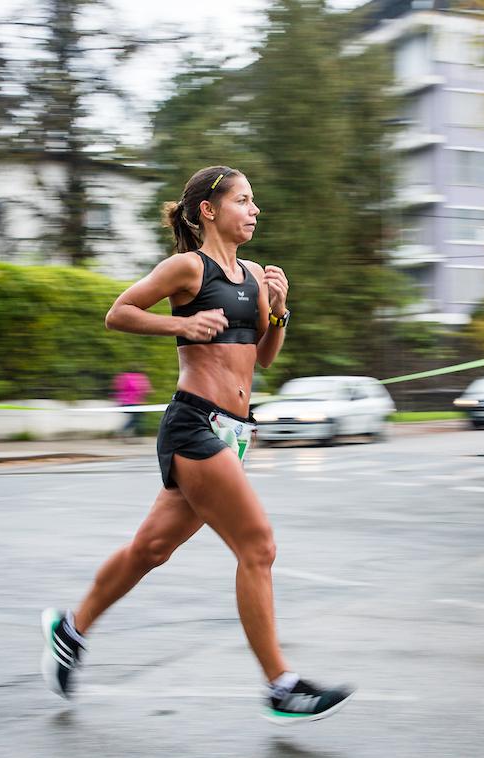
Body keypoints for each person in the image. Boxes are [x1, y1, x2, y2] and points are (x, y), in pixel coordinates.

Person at [40, 165, 353, 724]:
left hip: (235, 432)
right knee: (258, 545)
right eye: (244, 200)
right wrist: (178, 327)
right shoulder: (187, 267)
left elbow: (263, 357)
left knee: (150, 550)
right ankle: (281, 685)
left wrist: (279, 308)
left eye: (255, 202)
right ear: (209, 210)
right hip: (195, 424)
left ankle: (71, 628)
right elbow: (119, 313)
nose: (254, 211)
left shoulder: (255, 273)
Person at [112, 369, 151, 438]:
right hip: (137, 402)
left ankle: (127, 433)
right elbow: (147, 390)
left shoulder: (124, 376)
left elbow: (117, 387)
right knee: (136, 419)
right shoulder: (141, 377)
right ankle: (125, 432)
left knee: (134, 419)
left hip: (124, 402)